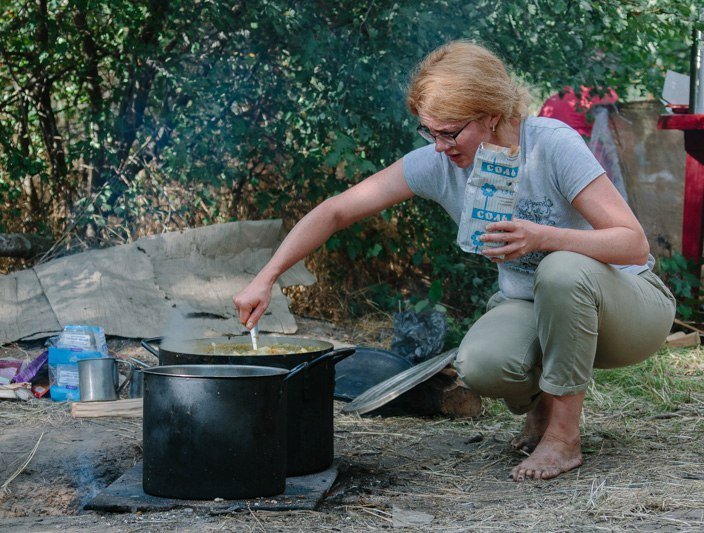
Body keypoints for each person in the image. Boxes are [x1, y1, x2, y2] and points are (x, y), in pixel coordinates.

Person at [234, 41, 676, 481]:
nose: (440, 146)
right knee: (481, 364)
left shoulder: (551, 145)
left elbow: (632, 244)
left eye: (450, 132)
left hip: (627, 307)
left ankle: (564, 438)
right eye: (430, 131)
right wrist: (266, 277)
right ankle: (542, 407)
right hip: (538, 307)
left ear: (491, 115)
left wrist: (542, 236)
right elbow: (336, 210)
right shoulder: (440, 163)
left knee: (559, 268)